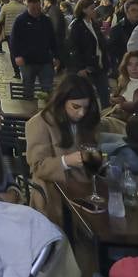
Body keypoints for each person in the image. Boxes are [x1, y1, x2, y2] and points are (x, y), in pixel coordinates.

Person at [24, 74, 111, 221]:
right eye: (76, 107)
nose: (81, 113)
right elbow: (37, 166)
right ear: (62, 101)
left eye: (86, 107)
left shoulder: (87, 122)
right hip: (54, 193)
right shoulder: (40, 122)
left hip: (85, 190)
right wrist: (66, 161)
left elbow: (95, 159)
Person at [7, 0, 57, 99]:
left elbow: (52, 39)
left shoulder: (46, 20)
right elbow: (14, 40)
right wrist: (17, 56)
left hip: (45, 60)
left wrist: (56, 56)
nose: (36, 11)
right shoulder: (20, 20)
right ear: (27, 7)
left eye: (38, 8)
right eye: (33, 8)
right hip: (27, 61)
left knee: (47, 88)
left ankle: (47, 109)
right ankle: (28, 110)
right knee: (28, 87)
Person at [65, 0, 110, 104]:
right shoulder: (76, 25)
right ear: (84, 10)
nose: (94, 11)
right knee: (87, 97)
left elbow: (99, 44)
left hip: (98, 65)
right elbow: (73, 48)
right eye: (92, 8)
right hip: (86, 67)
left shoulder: (93, 24)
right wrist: (79, 68)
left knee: (105, 95)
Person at [107, 49, 138, 117]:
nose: (133, 68)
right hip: (116, 116)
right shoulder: (123, 81)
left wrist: (122, 104)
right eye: (130, 64)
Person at [105, 1, 138, 75]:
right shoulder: (118, 28)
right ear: (126, 12)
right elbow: (111, 48)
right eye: (133, 10)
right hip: (125, 63)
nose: (137, 13)